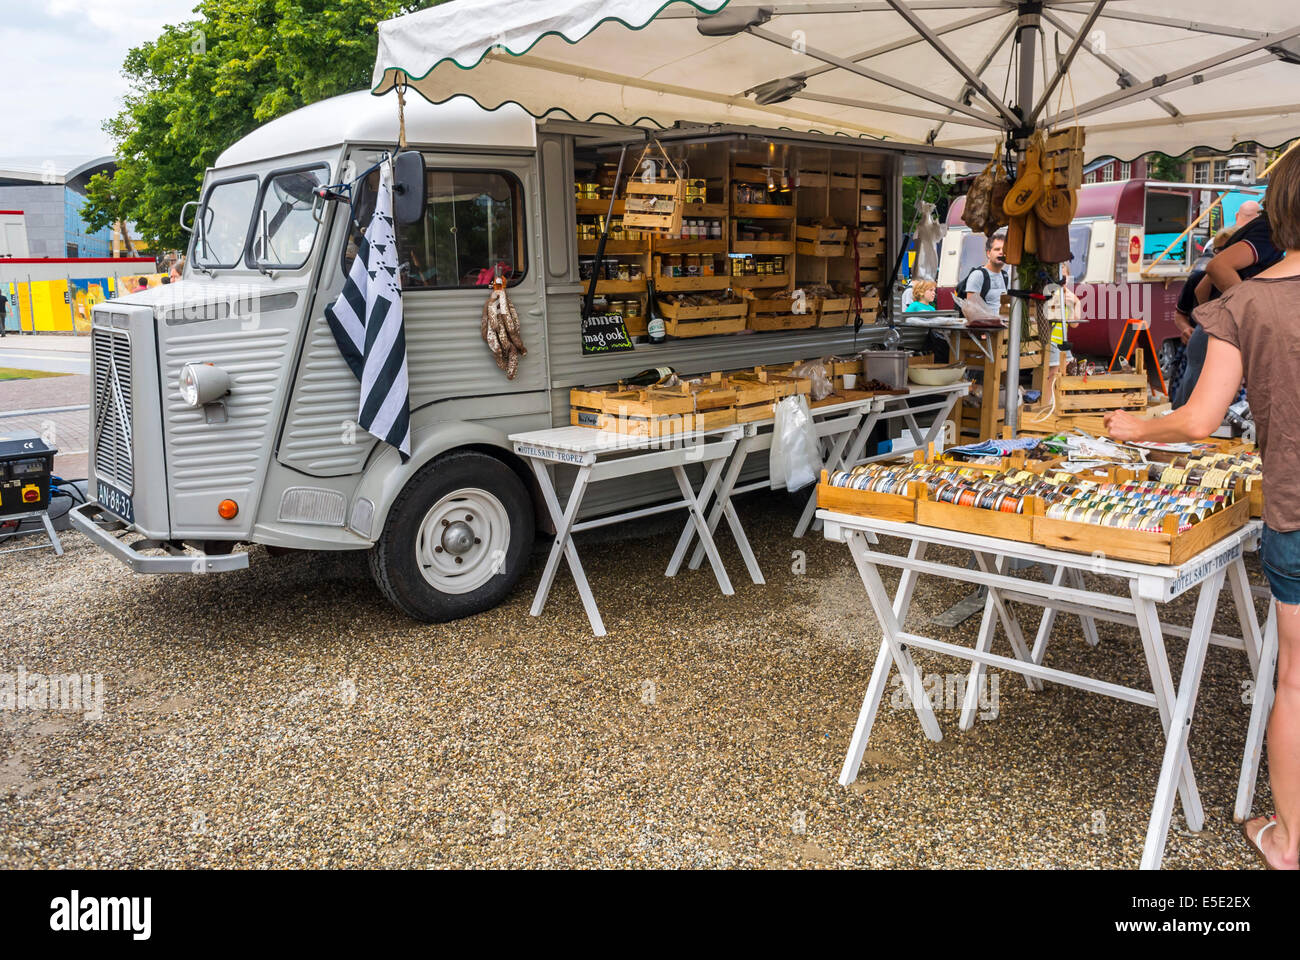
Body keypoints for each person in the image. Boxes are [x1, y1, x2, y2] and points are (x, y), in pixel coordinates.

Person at [1104, 149, 1300, 871]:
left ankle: (1288, 842)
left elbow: (1196, 422)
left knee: (1295, 681)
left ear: (1277, 209)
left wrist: (1133, 429)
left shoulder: (1244, 304)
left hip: (1294, 506)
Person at [1175, 203, 1277, 406]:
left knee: (1193, 407)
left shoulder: (1260, 230)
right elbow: (1218, 266)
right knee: (1204, 415)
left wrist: (1212, 322)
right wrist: (1249, 315)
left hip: (1214, 332)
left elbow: (1202, 289)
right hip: (1225, 333)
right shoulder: (1270, 230)